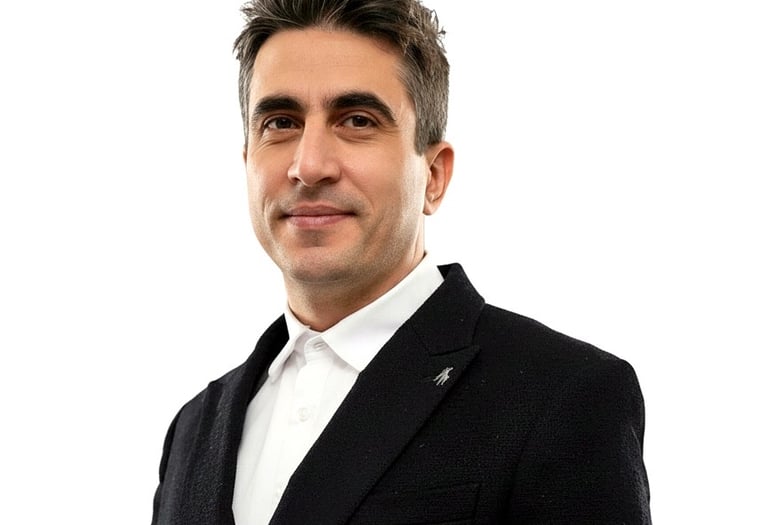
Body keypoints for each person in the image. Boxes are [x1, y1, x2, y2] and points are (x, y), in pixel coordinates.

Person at [151, 0, 652, 523]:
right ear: (248, 163)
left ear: (433, 176)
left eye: (357, 120)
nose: (309, 165)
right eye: (280, 122)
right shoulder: (192, 430)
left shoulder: (563, 395)